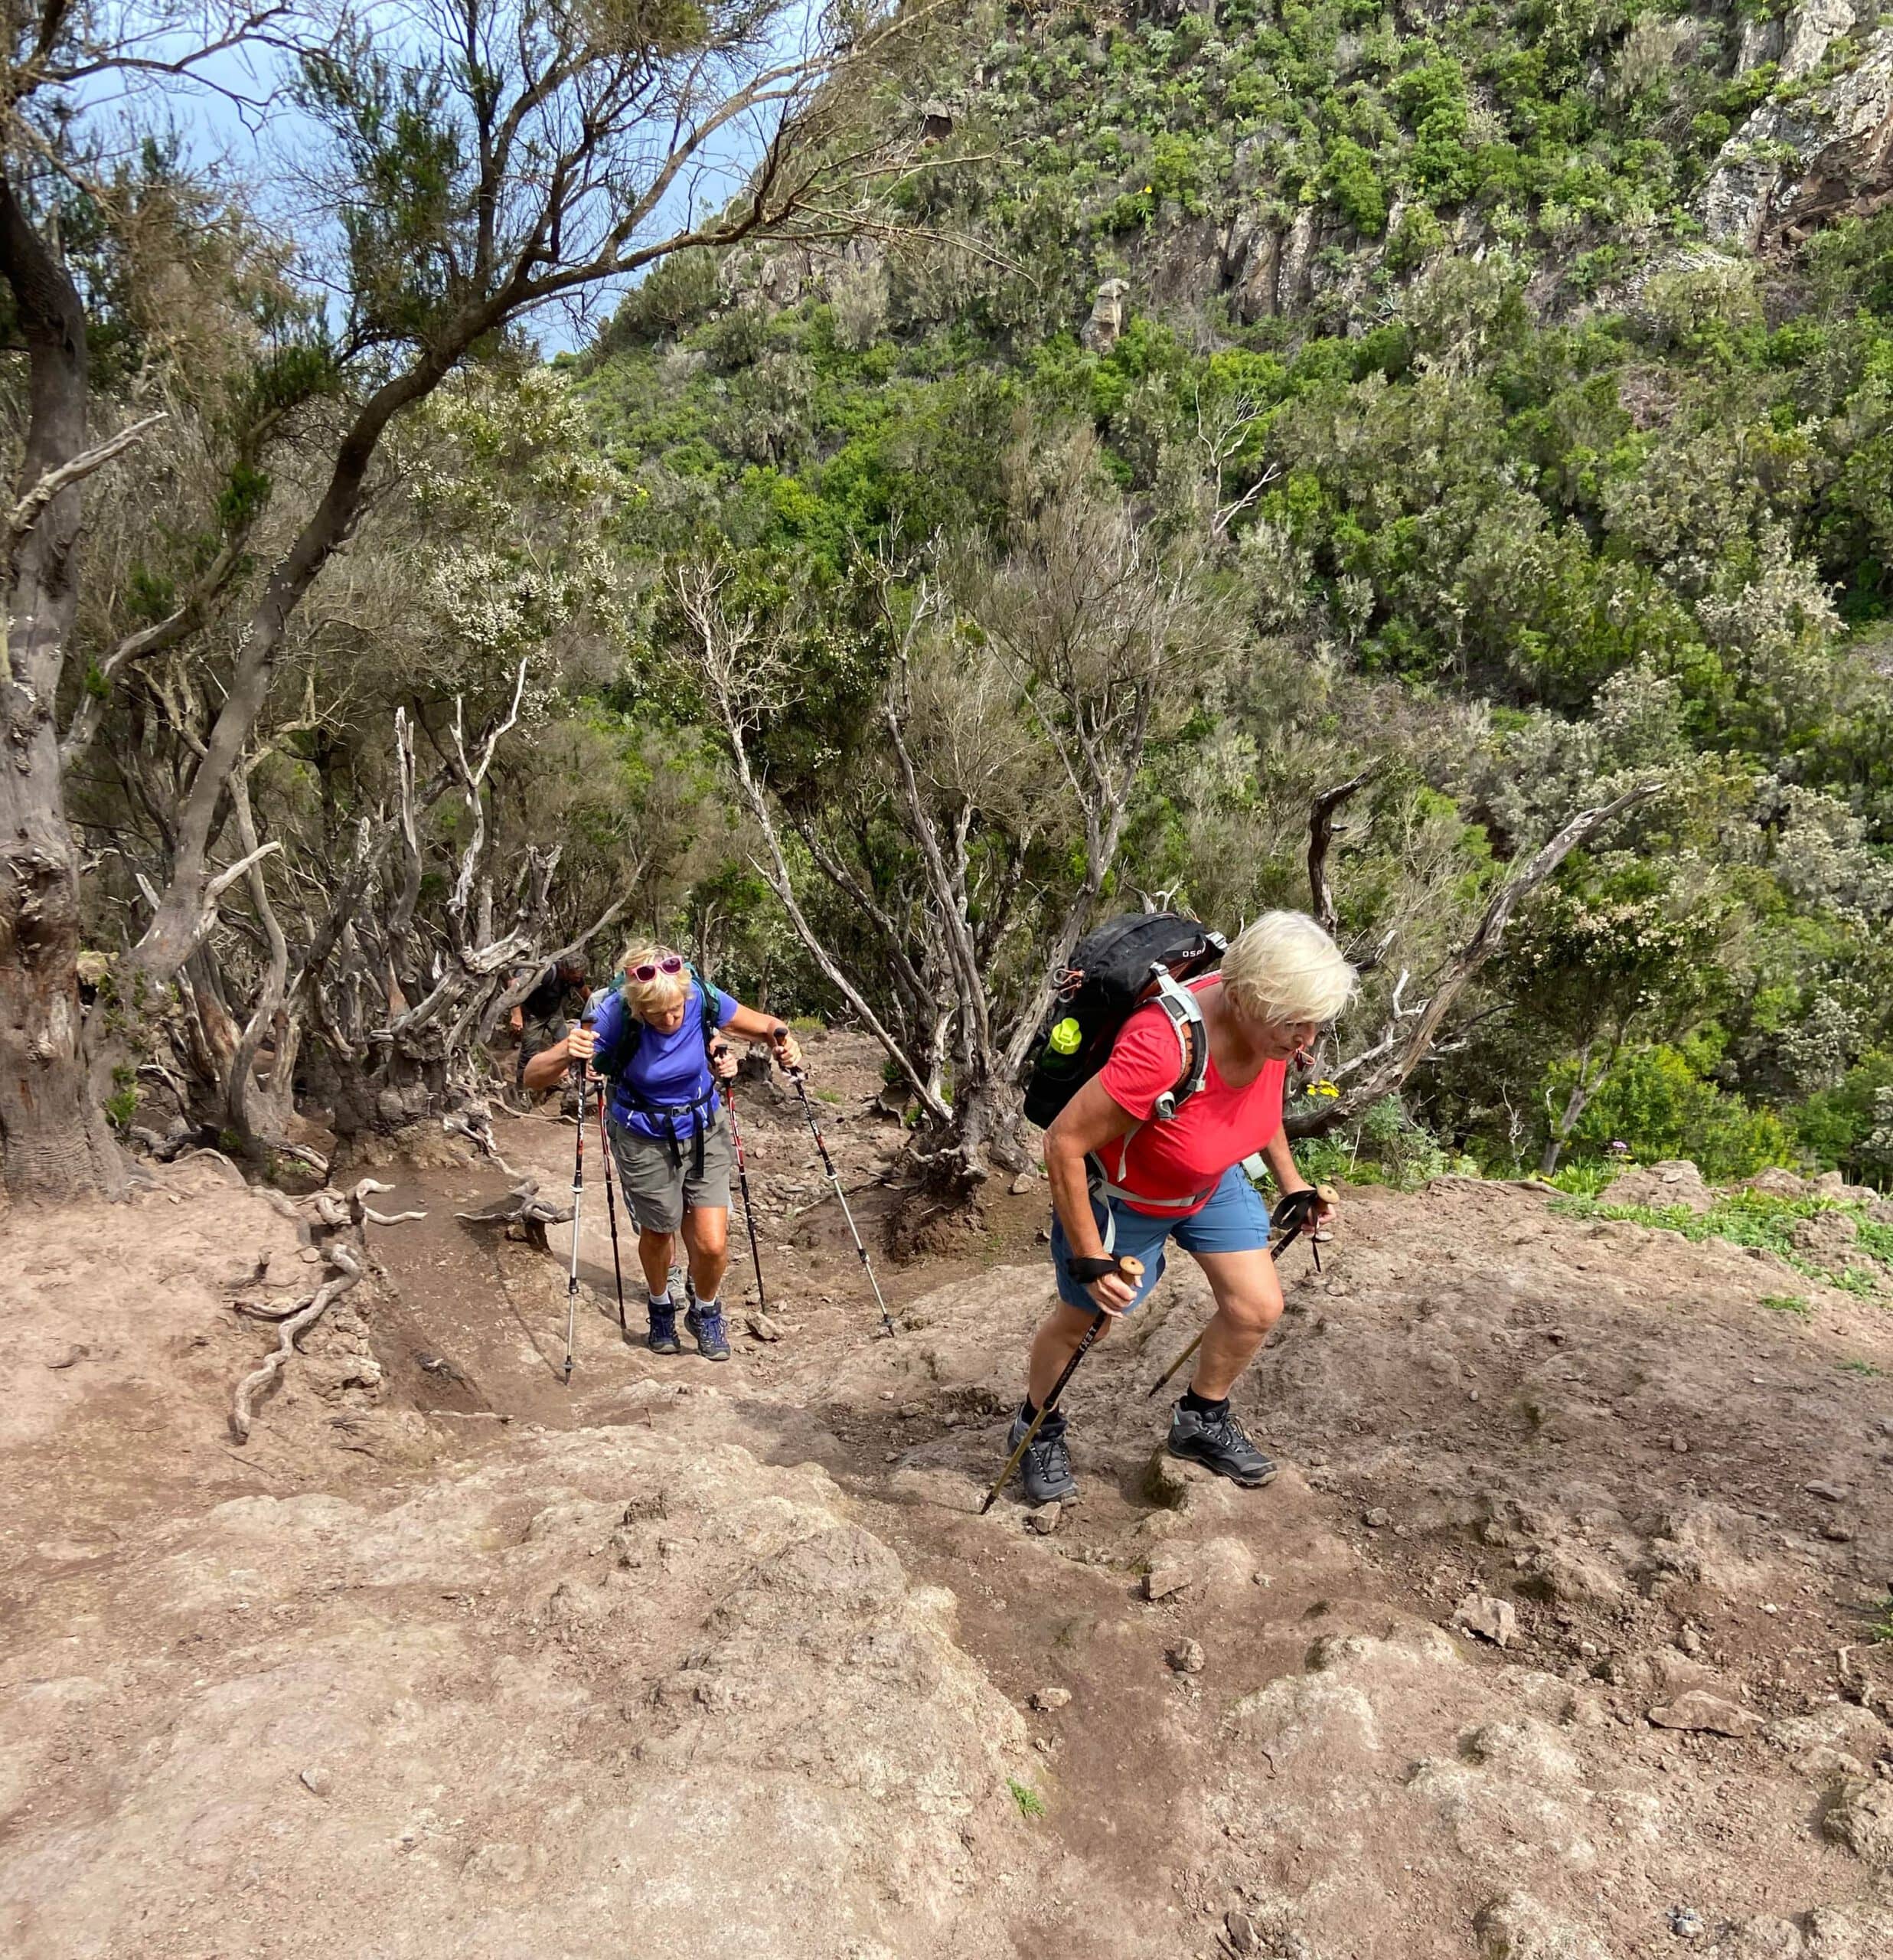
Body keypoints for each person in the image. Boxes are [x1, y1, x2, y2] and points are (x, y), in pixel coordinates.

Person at [1006, 910, 1357, 1506]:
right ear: (1242, 996)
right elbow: (1062, 1142)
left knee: (1255, 1306)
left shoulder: (1267, 1031)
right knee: (1087, 1322)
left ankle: (1199, 1420)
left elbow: (1259, 1106)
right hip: (1128, 1199)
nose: (1304, 1041)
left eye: (1313, 1025)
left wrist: (1291, 1184)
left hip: (1209, 1183)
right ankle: (1036, 1425)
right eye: (1293, 1024)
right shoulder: (1161, 1046)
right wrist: (1091, 1257)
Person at [524, 944, 801, 1360]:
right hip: (642, 1136)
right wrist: (568, 1050)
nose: (669, 1019)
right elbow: (532, 1077)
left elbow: (766, 1026)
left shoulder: (700, 995)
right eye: (655, 1014)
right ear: (637, 1006)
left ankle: (705, 1311)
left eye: (675, 1010)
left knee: (711, 1243)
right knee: (659, 1231)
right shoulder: (614, 1015)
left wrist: (785, 1043)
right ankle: (660, 1306)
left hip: (704, 1128)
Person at [512, 955, 589, 1090]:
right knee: (528, 1053)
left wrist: (596, 1008)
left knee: (567, 1046)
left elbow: (585, 992)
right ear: (565, 971)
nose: (578, 979)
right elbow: (515, 987)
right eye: (575, 976)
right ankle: (521, 1089)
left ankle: (566, 1079)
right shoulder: (547, 974)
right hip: (534, 1015)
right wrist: (517, 1015)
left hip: (554, 1013)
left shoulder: (575, 976)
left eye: (580, 976)